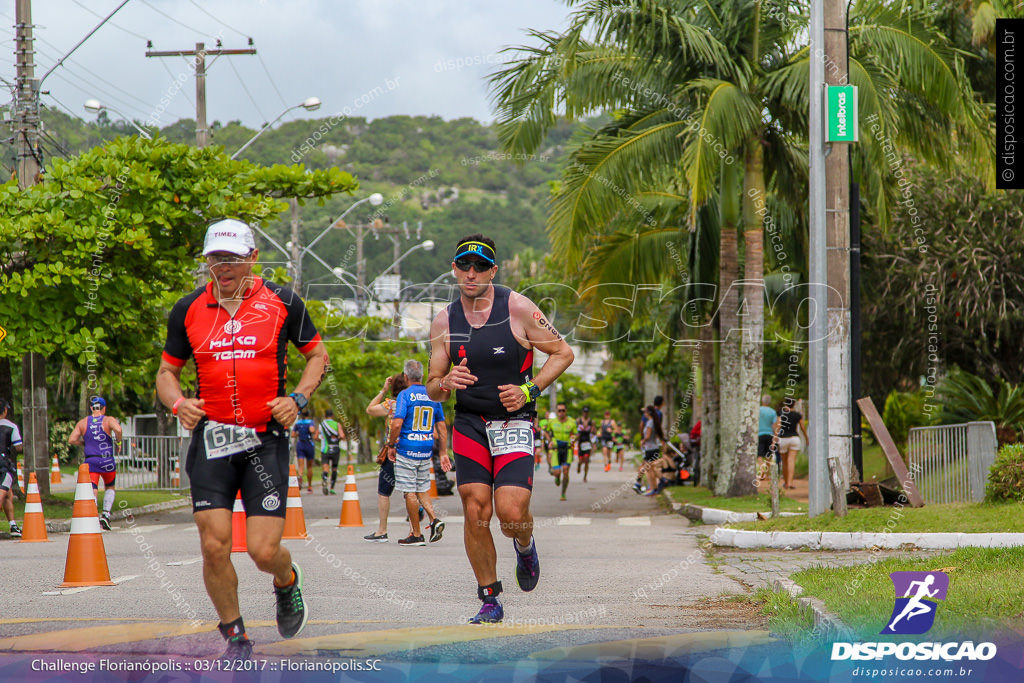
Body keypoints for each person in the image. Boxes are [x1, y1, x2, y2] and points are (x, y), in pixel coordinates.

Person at [156, 218, 327, 661]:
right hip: (213, 439)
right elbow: (166, 373)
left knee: (262, 550)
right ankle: (235, 635)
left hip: (264, 439)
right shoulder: (187, 309)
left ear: (253, 258)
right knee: (213, 543)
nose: (224, 267)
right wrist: (178, 405)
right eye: (216, 258)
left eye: (233, 258)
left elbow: (317, 356)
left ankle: (286, 581)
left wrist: (299, 399)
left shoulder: (284, 301)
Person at [426, 234, 574, 624]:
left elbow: (563, 352)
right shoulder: (445, 320)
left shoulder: (518, 307)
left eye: (480, 266)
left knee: (510, 514)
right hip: (470, 422)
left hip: (514, 421)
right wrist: (445, 383)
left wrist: (530, 389)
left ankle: (525, 546)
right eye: (464, 265)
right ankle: (489, 597)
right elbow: (432, 385)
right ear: (454, 269)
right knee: (476, 508)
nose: (471, 273)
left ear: (493, 270)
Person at [386, 359, 450, 546]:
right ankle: (434, 519)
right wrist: (443, 452)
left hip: (407, 449)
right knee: (421, 488)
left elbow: (397, 423)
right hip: (425, 449)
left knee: (409, 492)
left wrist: (391, 445)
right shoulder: (433, 396)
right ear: (422, 376)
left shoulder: (405, 395)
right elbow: (442, 428)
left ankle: (416, 533)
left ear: (406, 377)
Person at [364, 373, 408, 542]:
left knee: (384, 492)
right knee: (411, 490)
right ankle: (416, 529)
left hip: (392, 452)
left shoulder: (391, 405)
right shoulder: (412, 402)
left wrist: (383, 390)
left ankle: (382, 530)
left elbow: (370, 409)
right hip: (410, 449)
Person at [68, 396, 123, 530]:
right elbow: (119, 430)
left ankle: (93, 516)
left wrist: (84, 443)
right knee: (110, 486)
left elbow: (72, 439)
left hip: (91, 460)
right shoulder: (108, 420)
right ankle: (106, 514)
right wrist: (118, 442)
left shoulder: (83, 422)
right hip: (107, 459)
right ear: (104, 408)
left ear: (92, 408)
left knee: (93, 488)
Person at [774, 396, 809, 490]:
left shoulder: (780, 414)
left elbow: (778, 426)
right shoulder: (797, 415)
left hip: (783, 439)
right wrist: (806, 438)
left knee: (784, 462)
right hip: (794, 438)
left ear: (785, 404)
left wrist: (775, 439)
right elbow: (802, 428)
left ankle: (786, 482)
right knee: (791, 461)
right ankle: (790, 483)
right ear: (794, 404)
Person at [0, 400, 23, 537]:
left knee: (8, 494)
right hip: (3, 464)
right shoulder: (11, 426)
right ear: (5, 410)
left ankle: (13, 525)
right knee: (2, 494)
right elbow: (18, 446)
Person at [548, 403, 575, 500]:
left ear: (566, 411)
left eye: (563, 410)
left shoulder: (572, 422)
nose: (561, 412)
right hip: (556, 449)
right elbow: (546, 432)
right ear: (557, 411)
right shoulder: (552, 422)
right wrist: (550, 441)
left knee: (566, 471)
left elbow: (575, 434)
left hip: (567, 449)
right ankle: (557, 477)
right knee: (557, 472)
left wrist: (573, 440)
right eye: (559, 410)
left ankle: (563, 493)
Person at [639, 405, 666, 496]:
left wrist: (643, 441)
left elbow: (648, 436)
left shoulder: (650, 423)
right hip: (652, 448)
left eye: (645, 412)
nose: (644, 414)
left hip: (650, 448)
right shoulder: (653, 422)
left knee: (649, 468)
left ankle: (660, 482)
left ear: (648, 413)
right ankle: (655, 487)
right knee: (651, 468)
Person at [291, 411, 319, 493]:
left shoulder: (298, 423)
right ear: (308, 415)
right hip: (309, 444)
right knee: (309, 466)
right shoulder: (310, 422)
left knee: (300, 465)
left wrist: (299, 434)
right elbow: (311, 430)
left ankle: (300, 477)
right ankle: (309, 486)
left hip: (300, 444)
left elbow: (293, 435)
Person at [319, 409, 345, 495]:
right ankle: (332, 488)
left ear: (325, 416)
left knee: (325, 468)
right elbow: (342, 436)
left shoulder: (321, 425)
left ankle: (325, 479)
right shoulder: (337, 424)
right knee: (334, 468)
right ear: (332, 416)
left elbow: (316, 436)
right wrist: (336, 439)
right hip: (335, 449)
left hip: (325, 449)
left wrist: (322, 440)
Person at [756, 395, 778, 481]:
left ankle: (762, 471)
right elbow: (774, 425)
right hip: (769, 434)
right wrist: (775, 437)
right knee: (769, 454)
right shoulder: (772, 412)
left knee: (760, 455)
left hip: (759, 434)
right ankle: (766, 473)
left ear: (762, 401)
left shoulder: (758, 410)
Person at [575, 406, 594, 482]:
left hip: (587, 443)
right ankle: (579, 465)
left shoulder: (591, 422)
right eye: (584, 412)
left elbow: (593, 431)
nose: (585, 413)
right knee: (581, 460)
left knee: (586, 460)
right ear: (582, 412)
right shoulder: (578, 420)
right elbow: (575, 431)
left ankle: (585, 476)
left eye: (587, 412)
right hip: (580, 442)